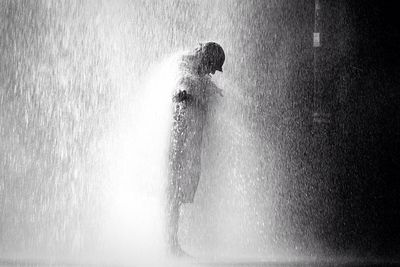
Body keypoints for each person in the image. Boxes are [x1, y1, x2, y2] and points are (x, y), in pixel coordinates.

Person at [166, 42, 225, 257]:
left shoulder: (198, 71)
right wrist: (185, 93)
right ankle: (170, 245)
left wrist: (212, 90)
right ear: (207, 58)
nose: (212, 72)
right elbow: (181, 83)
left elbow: (199, 81)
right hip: (176, 143)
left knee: (177, 194)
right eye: (213, 67)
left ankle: (172, 244)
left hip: (186, 143)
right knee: (172, 192)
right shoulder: (186, 65)